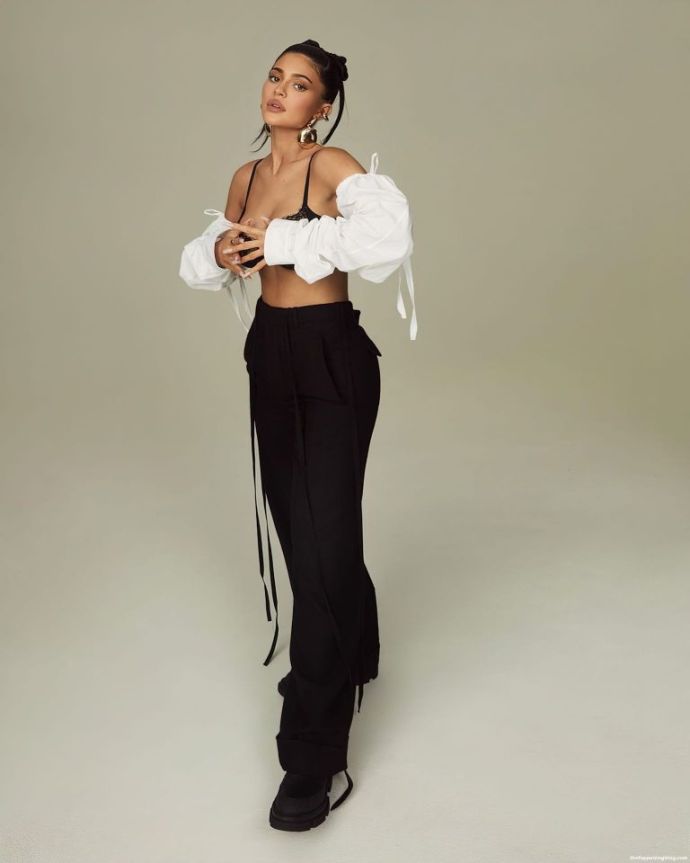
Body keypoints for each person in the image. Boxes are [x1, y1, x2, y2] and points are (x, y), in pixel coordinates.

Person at [179, 38, 416, 831]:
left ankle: (312, 756)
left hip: (330, 356)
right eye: (275, 77)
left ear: (323, 105)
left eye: (301, 83)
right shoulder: (246, 177)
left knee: (321, 556)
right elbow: (219, 258)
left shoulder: (332, 165)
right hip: (271, 356)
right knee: (306, 540)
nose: (280, 90)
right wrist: (223, 250)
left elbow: (385, 242)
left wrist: (280, 241)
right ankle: (359, 644)